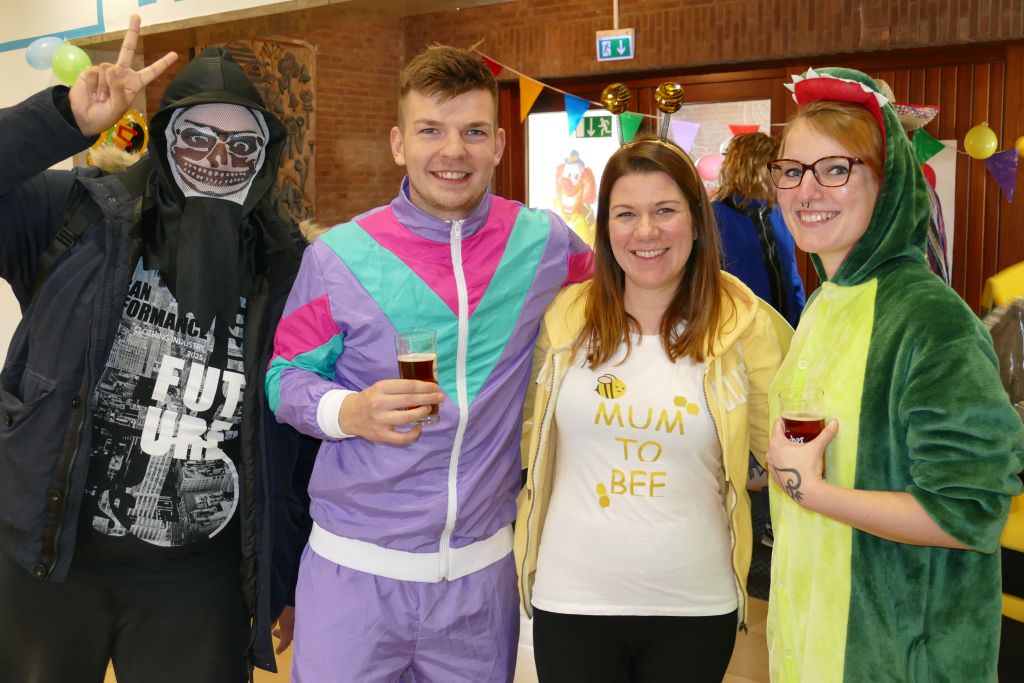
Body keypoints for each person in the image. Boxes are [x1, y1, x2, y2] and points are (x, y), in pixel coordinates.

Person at [0, 16, 316, 682]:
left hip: (199, 581)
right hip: (50, 560)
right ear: (166, 138)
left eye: (241, 144)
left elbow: (298, 441)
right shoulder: (76, 217)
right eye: (197, 136)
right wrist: (65, 120)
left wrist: (285, 572)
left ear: (265, 155)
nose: (218, 158)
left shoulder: (289, 266)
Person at [266, 45, 592, 682]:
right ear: (398, 144)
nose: (453, 151)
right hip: (352, 575)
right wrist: (348, 411)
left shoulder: (545, 243)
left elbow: (626, 294)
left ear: (499, 145)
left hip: (480, 584)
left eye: (473, 132)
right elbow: (284, 380)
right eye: (431, 131)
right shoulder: (337, 256)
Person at [763, 67, 1024, 682]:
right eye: (792, 170)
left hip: (896, 658)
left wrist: (811, 491)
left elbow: (968, 512)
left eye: (835, 169)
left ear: (889, 182)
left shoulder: (930, 319)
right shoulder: (825, 303)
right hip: (810, 646)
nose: (806, 190)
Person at [514, 136, 791, 682]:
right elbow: (526, 435)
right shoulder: (565, 319)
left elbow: (785, 444)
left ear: (697, 220)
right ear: (605, 228)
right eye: (626, 214)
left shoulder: (743, 323)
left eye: (665, 211)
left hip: (695, 603)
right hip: (572, 598)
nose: (646, 232)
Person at [712, 132, 805, 327]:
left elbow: (791, 273)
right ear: (757, 168)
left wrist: (802, 319)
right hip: (742, 332)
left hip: (788, 327)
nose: (783, 177)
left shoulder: (779, 212)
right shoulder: (714, 216)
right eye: (778, 169)